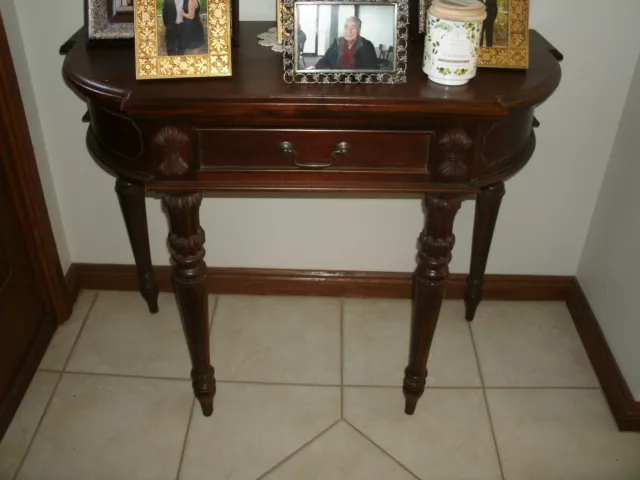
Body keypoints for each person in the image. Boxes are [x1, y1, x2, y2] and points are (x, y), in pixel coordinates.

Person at [314, 16, 378, 70]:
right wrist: (314, 68)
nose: (349, 31)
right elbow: (325, 60)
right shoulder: (337, 42)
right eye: (346, 27)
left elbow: (371, 70)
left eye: (353, 27)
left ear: (359, 30)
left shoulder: (366, 45)